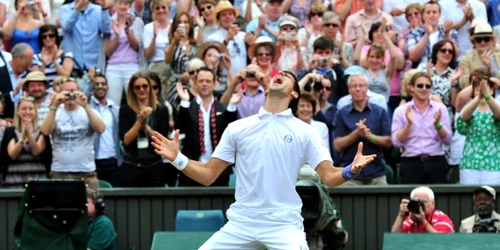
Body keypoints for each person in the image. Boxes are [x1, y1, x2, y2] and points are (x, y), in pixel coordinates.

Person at [151, 70, 377, 249]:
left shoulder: (306, 131)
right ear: (267, 91)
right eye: (278, 74)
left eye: (288, 76)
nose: (280, 75)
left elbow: (329, 177)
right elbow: (209, 174)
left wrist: (350, 170)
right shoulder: (237, 128)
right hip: (242, 223)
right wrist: (177, 158)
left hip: (284, 224)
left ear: (294, 94)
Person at [175, 67, 240, 186]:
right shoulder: (188, 106)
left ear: (215, 83)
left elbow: (230, 131)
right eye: (201, 81)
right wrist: (184, 101)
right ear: (195, 83)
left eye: (208, 81)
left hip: (218, 170)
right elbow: (181, 129)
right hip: (192, 167)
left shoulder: (223, 107)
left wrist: (232, 107)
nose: (204, 84)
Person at [40, 77, 106, 189]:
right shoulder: (55, 112)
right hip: (59, 171)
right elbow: (45, 131)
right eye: (66, 91)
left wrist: (85, 106)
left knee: (91, 206)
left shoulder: (89, 111)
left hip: (86, 172)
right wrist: (55, 105)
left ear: (79, 92)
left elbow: (100, 129)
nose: (70, 94)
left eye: (73, 91)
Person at [391, 72, 452, 184]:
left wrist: (438, 125)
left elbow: (447, 140)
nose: (424, 89)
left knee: (439, 200)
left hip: (436, 162)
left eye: (427, 86)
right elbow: (396, 143)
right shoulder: (401, 111)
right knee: (411, 200)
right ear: (411, 88)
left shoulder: (440, 109)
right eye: (420, 85)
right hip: (410, 163)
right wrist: (409, 124)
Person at [334, 73, 391, 185]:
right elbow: (337, 145)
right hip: (349, 172)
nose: (358, 89)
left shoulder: (379, 112)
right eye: (354, 86)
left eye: (361, 85)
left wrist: (370, 137)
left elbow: (388, 142)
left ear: (367, 88)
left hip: (376, 172)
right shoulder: (341, 113)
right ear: (349, 89)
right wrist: (356, 134)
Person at [118, 72, 170, 187]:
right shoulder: (125, 109)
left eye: (145, 86)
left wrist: (146, 127)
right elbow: (126, 140)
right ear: (132, 90)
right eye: (137, 87)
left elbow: (162, 142)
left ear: (150, 88)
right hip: (131, 166)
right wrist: (140, 121)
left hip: (154, 166)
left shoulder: (161, 110)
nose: (141, 89)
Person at [457, 69, 500, 185]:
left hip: (493, 164)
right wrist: (478, 97)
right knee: (468, 199)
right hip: (470, 164)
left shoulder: (496, 106)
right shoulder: (470, 108)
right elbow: (462, 120)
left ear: (492, 90)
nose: (480, 91)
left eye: (486, 88)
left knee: (493, 199)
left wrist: (487, 96)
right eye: (476, 89)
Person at [0, 96, 48, 188]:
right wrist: (22, 138)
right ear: (17, 111)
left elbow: (36, 151)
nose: (27, 112)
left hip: (37, 177)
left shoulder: (41, 131)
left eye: (30, 109)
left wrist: (29, 134)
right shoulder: (10, 131)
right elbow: (12, 154)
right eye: (23, 109)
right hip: (14, 179)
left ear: (35, 111)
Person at [89, 73, 121, 187]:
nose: (100, 86)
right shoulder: (87, 107)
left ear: (107, 87)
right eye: (96, 84)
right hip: (93, 161)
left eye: (103, 84)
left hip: (113, 159)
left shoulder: (115, 109)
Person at [31, 24, 73, 89]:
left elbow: (66, 75)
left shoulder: (66, 55)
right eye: (44, 36)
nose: (48, 38)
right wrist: (43, 64)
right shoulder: (35, 57)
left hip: (60, 90)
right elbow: (36, 78)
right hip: (43, 91)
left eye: (51, 35)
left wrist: (55, 61)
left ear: (56, 37)